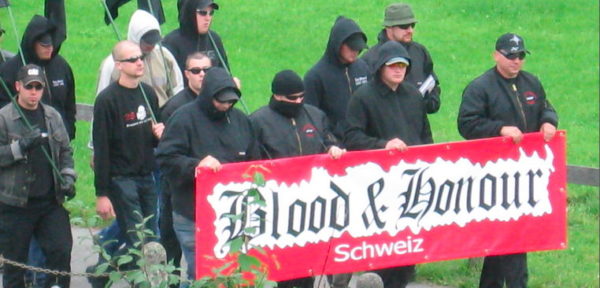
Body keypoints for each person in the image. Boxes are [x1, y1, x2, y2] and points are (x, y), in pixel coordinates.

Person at [457, 33, 558, 288]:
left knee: (508, 241)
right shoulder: (480, 88)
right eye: (511, 55)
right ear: (496, 55)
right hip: (494, 177)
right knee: (508, 239)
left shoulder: (531, 83)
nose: (516, 61)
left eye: (521, 55)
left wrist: (548, 121)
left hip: (526, 174)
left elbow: (547, 107)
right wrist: (500, 129)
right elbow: (467, 124)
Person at [156, 67, 260, 285]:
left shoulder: (241, 121)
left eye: (230, 102)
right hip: (192, 213)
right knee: (203, 275)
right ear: (208, 95)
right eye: (220, 101)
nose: (225, 106)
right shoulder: (183, 119)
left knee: (233, 273)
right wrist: (196, 166)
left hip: (233, 215)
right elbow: (165, 158)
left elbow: (255, 162)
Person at [344, 40, 432, 288]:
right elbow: (352, 137)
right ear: (381, 67)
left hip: (412, 183)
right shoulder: (363, 97)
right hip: (379, 187)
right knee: (384, 254)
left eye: (403, 65)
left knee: (407, 255)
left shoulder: (414, 95)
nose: (398, 70)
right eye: (393, 65)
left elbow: (425, 134)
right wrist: (383, 145)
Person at [249, 70, 345, 288]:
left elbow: (328, 138)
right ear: (277, 96)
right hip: (277, 205)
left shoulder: (314, 115)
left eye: (302, 97)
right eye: (293, 98)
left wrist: (333, 148)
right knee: (282, 265)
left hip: (312, 204)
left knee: (307, 262)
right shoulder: (257, 121)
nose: (298, 102)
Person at [92, 40, 163, 281]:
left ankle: (102, 273)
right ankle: (135, 280)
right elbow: (101, 149)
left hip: (147, 175)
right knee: (138, 239)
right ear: (119, 65)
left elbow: (154, 139)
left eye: (140, 57)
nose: (139, 62)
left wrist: (159, 136)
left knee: (152, 237)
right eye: (132, 59)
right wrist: (102, 193)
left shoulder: (148, 93)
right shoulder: (107, 100)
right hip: (122, 179)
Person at [0, 64, 76, 288]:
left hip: (49, 202)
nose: (34, 92)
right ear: (17, 87)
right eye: (29, 87)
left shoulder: (52, 116)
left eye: (38, 87)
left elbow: (65, 152)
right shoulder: (4, 118)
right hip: (15, 206)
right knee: (15, 265)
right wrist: (20, 147)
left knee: (61, 252)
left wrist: (68, 178)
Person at [156, 51, 212, 283]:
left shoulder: (218, 104)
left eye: (207, 70)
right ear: (186, 74)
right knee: (172, 244)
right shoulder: (174, 108)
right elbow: (166, 155)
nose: (202, 75)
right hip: (178, 188)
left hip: (209, 190)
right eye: (196, 71)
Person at [0, 15, 76, 140]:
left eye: (51, 45)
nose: (49, 49)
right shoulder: (9, 70)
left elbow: (70, 105)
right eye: (44, 45)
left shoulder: (62, 66)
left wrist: (69, 132)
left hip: (56, 141)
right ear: (32, 43)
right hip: (20, 142)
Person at [361, 3, 441, 114]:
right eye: (404, 26)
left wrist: (430, 102)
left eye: (412, 25)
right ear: (389, 28)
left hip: (415, 126)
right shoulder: (370, 59)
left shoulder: (420, 52)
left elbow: (433, 84)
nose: (410, 31)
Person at [96, 9, 184, 107]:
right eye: (147, 41)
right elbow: (101, 101)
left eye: (154, 41)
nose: (151, 45)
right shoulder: (112, 63)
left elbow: (177, 91)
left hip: (162, 119)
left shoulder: (165, 56)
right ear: (136, 37)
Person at [303, 16, 371, 139]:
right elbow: (310, 118)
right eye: (351, 47)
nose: (355, 52)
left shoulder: (363, 68)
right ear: (338, 44)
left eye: (359, 48)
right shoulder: (315, 77)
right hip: (335, 147)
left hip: (362, 140)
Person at [163, 0, 228, 77]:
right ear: (189, 13)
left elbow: (225, 74)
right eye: (203, 13)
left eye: (211, 13)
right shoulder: (171, 43)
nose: (208, 18)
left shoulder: (214, 39)